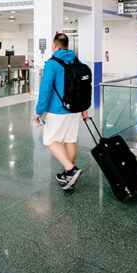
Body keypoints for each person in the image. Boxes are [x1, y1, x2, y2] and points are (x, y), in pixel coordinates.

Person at [34, 33, 89, 190]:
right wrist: (84, 109)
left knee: (50, 140)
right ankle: (67, 174)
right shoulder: (76, 61)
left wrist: (39, 111)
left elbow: (45, 89)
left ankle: (71, 170)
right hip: (75, 109)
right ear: (67, 45)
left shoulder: (52, 63)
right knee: (70, 140)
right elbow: (82, 88)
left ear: (54, 46)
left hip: (57, 110)